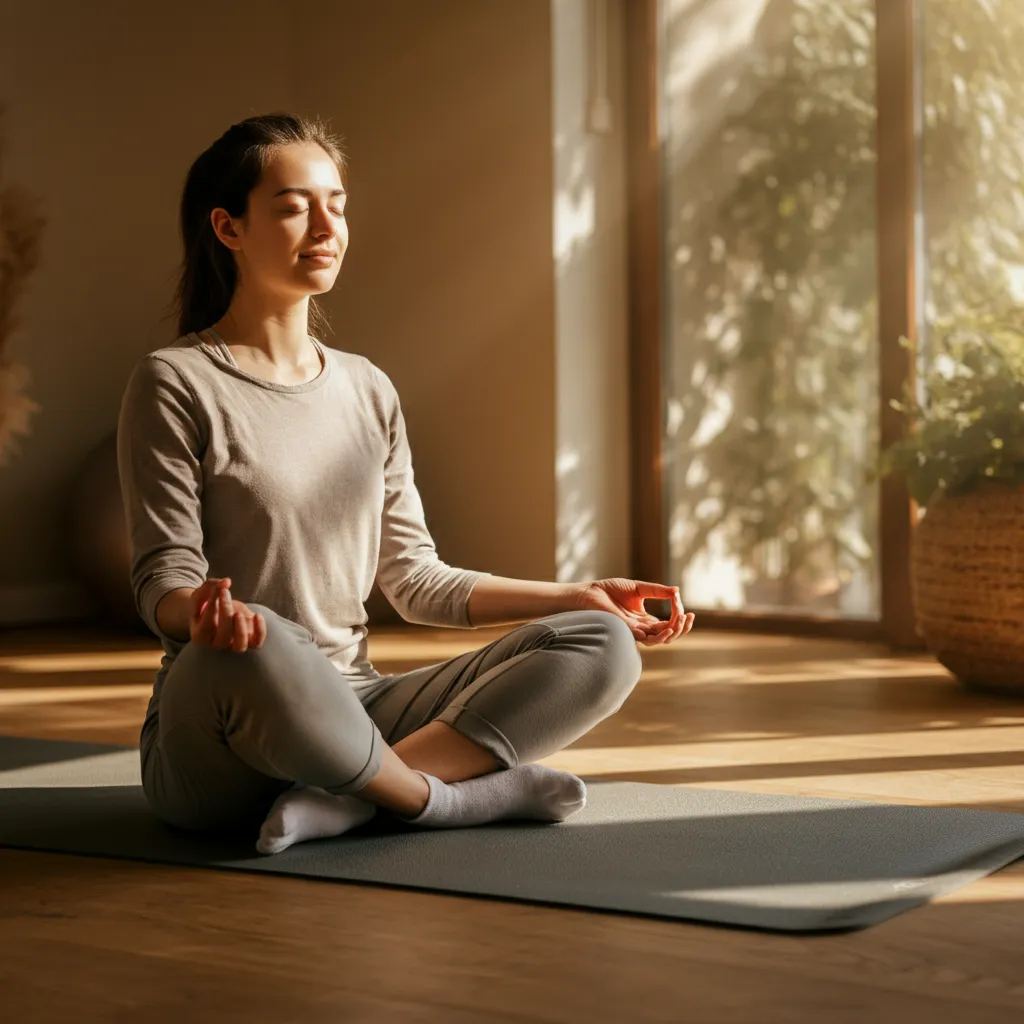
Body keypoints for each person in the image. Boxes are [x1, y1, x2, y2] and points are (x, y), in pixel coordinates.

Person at [116, 112, 695, 856]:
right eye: (295, 207)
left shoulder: (366, 388)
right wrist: (204, 617)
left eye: (337, 204)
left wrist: (575, 595)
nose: (326, 226)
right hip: (224, 731)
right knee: (264, 641)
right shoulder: (175, 381)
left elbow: (415, 580)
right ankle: (440, 801)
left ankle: (351, 797)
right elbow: (161, 580)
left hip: (355, 708)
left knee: (603, 643)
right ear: (228, 228)